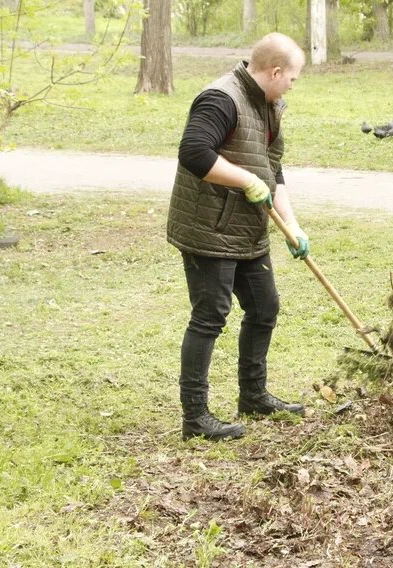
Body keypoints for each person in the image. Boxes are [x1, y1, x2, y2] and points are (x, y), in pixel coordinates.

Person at [167, 33, 309, 442]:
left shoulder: (269, 105)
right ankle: (195, 416)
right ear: (276, 71)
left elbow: (272, 168)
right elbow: (194, 152)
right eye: (292, 79)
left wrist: (292, 224)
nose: (292, 86)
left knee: (265, 307)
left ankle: (253, 395)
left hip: (247, 229)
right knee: (210, 315)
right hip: (209, 228)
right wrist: (245, 179)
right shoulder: (220, 98)